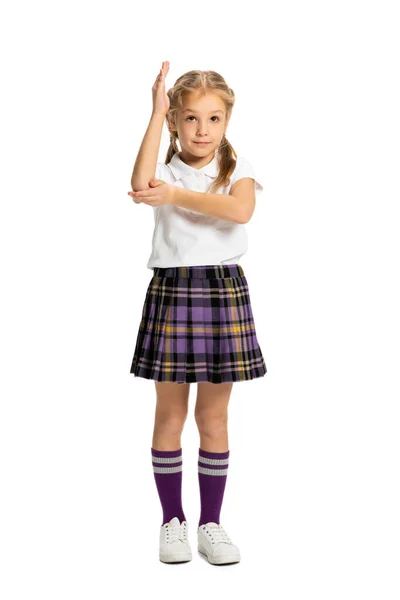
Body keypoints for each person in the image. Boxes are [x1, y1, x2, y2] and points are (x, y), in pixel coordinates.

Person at [127, 61, 267, 565]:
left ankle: (211, 521)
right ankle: (172, 522)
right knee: (169, 413)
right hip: (173, 289)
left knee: (213, 415)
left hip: (223, 289)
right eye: (189, 119)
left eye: (213, 119)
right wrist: (155, 110)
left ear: (227, 122)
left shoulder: (237, 168)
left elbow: (240, 211)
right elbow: (143, 182)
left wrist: (177, 197)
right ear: (175, 123)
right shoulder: (164, 169)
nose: (202, 130)